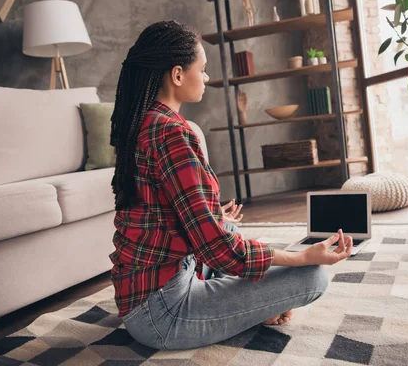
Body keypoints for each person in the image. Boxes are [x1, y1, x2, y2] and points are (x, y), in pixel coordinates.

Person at [109, 20, 354, 351]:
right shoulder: (173, 133)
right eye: (203, 69)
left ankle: (245, 302)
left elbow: (157, 211)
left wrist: (212, 216)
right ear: (178, 75)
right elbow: (218, 251)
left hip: (140, 295)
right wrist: (303, 257)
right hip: (163, 315)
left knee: (225, 226)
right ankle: (252, 306)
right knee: (312, 276)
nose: (207, 78)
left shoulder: (145, 123)